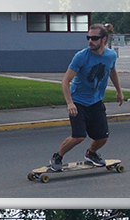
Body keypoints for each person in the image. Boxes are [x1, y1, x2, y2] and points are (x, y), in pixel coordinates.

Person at [50, 23, 123, 171]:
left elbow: (112, 71)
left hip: (95, 101)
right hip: (78, 101)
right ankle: (57, 156)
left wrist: (119, 91)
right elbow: (65, 81)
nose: (90, 41)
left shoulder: (111, 55)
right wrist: (70, 103)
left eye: (94, 38)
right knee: (78, 136)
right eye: (88, 37)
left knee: (102, 137)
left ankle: (91, 153)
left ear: (104, 39)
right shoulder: (81, 56)